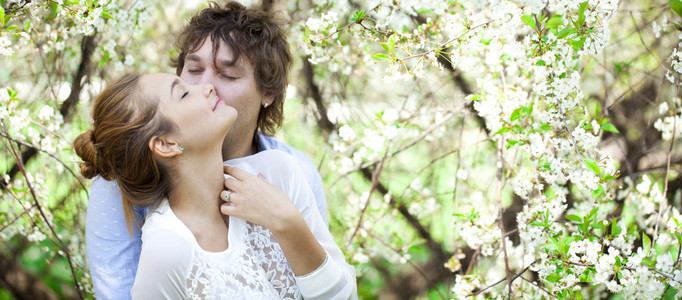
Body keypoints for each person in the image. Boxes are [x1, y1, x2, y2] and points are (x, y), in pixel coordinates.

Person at [84, 2, 329, 298]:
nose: (206, 85)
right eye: (194, 70)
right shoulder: (122, 180)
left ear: (268, 92)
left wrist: (285, 220)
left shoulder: (293, 171)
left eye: (228, 75)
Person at [74, 73, 356, 299]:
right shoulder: (167, 250)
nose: (207, 87)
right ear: (166, 144)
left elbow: (343, 296)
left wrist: (287, 221)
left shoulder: (277, 172)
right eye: (184, 93)